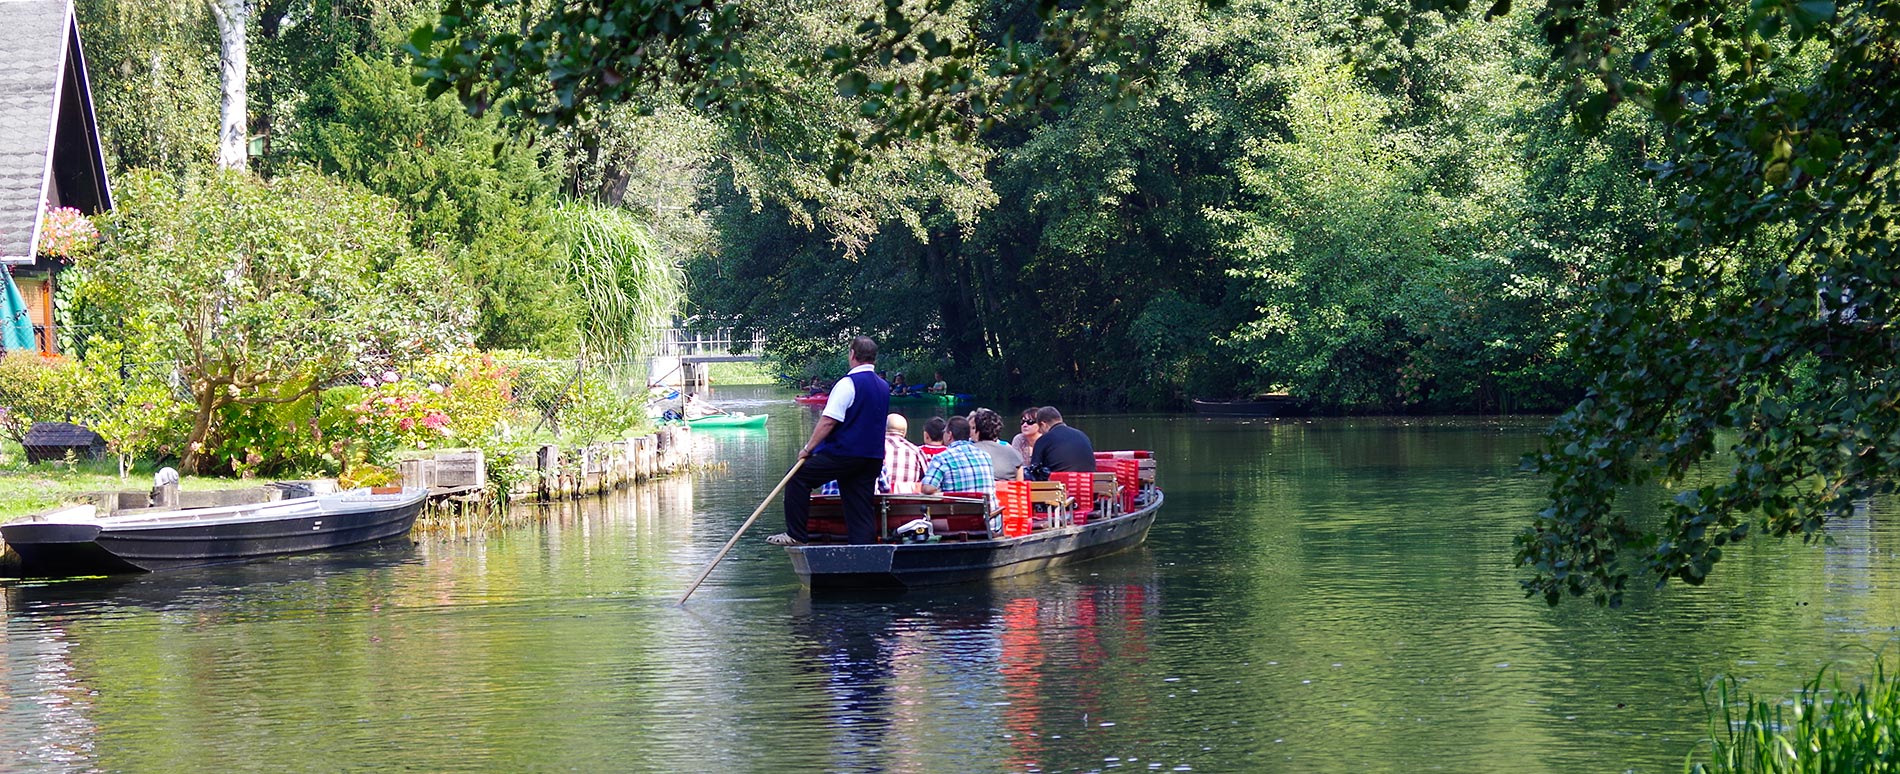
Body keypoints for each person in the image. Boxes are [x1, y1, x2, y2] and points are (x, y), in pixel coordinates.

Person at [771, 336, 890, 546]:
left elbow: (828, 421)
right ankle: (864, 553)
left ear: (852, 354)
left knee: (797, 477)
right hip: (872, 457)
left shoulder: (848, 383)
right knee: (859, 506)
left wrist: (808, 449)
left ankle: (796, 534)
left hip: (845, 454)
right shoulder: (883, 386)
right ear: (874, 358)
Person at [919, 415, 996, 497]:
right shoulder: (985, 456)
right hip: (988, 509)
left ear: (949, 435)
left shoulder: (942, 458)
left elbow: (927, 489)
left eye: (944, 432)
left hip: (958, 509)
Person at [1027, 406, 1096, 474]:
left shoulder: (1044, 439)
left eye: (1040, 428)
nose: (1040, 432)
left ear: (1043, 424)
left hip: (1061, 483)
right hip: (1088, 482)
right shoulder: (1082, 434)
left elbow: (1034, 470)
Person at [969, 408, 1024, 481]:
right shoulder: (1015, 455)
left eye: (973, 428)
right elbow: (1020, 485)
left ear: (977, 431)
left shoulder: (967, 453)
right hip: (1007, 491)